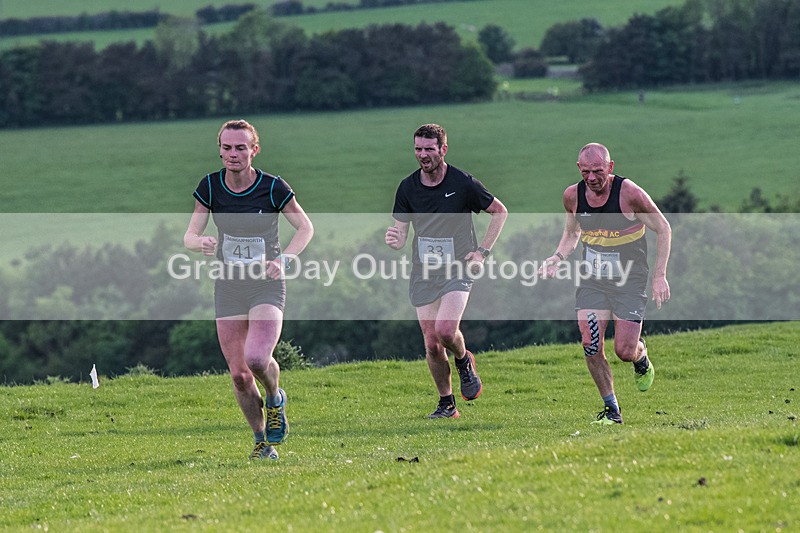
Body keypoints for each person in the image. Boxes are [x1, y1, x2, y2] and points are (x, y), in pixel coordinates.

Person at [184, 119, 314, 459]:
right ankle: (261, 441)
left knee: (256, 357)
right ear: (220, 150)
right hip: (228, 287)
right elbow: (189, 236)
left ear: (254, 150)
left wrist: (285, 259)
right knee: (240, 375)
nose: (233, 154)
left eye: (241, 147)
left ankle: (275, 398)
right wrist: (201, 242)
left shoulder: (272, 187)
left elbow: (305, 228)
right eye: (226, 148)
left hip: (266, 285)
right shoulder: (210, 187)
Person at [540, 142, 671, 424]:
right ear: (579, 169)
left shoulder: (629, 194)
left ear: (610, 167)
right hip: (593, 281)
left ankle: (641, 356)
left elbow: (663, 228)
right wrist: (557, 257)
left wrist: (659, 275)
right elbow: (572, 233)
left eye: (598, 171)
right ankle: (612, 410)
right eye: (586, 171)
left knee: (624, 351)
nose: (592, 178)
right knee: (590, 343)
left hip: (630, 281)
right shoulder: (572, 196)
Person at [385, 123, 508, 419]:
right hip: (424, 271)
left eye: (429, 149)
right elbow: (401, 233)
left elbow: (500, 212)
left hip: (459, 268)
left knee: (445, 330)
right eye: (418, 149)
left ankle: (464, 360)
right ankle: (446, 404)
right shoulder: (407, 187)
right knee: (431, 344)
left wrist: (482, 251)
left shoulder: (463, 183)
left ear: (443, 149)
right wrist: (396, 240)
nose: (423, 155)